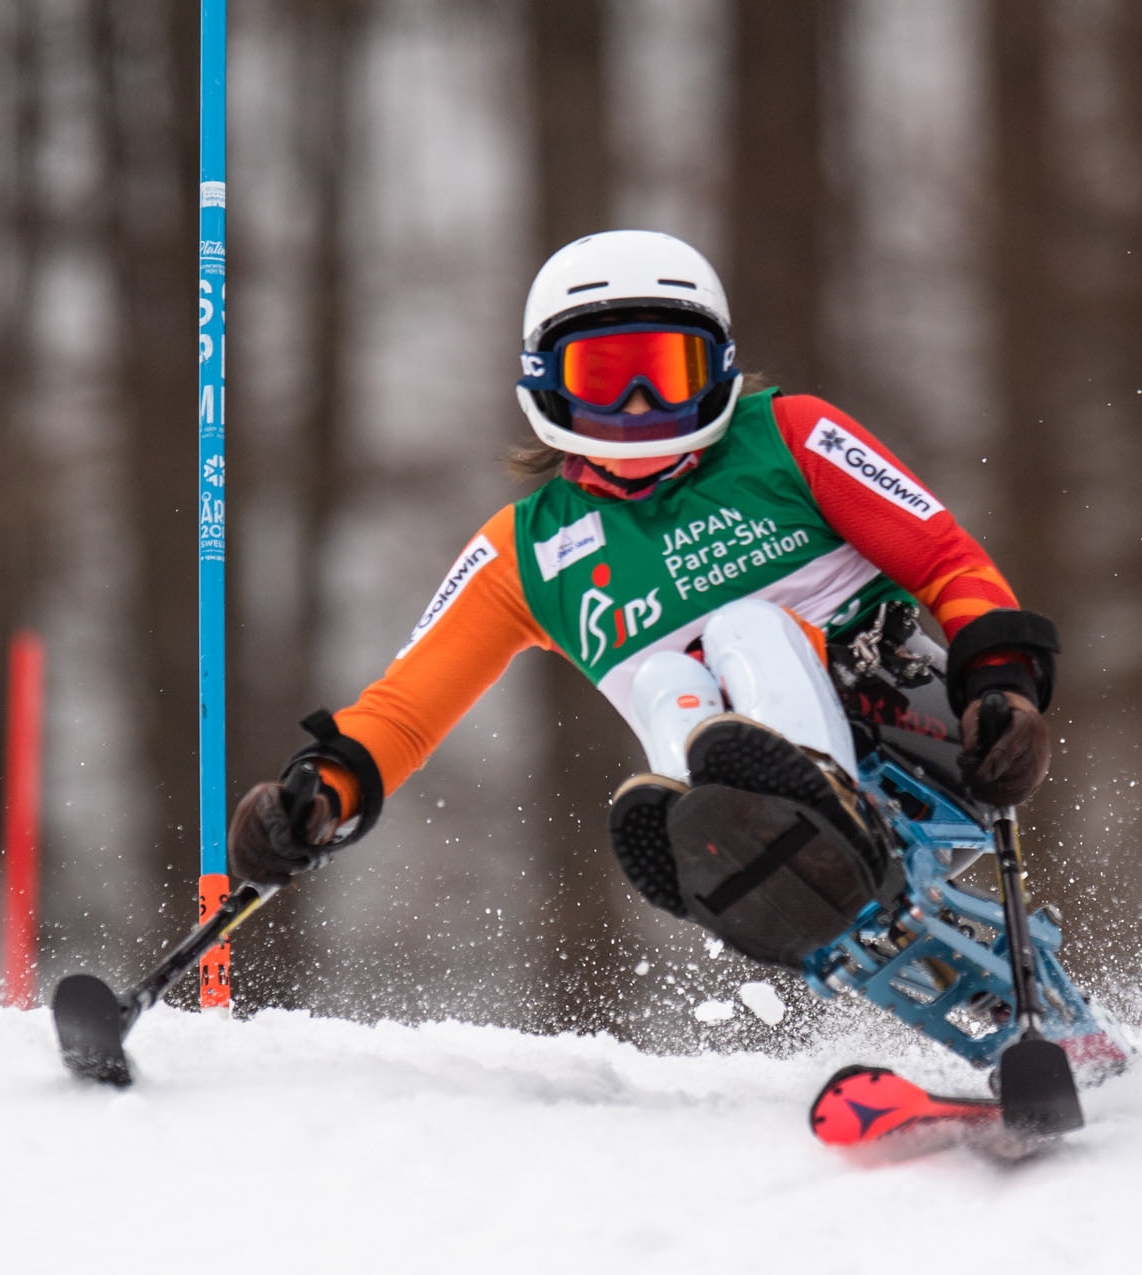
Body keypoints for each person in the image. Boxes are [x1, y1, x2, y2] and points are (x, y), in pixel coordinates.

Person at [228, 229, 1060, 978]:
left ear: (717, 372)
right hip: (754, 815)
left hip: (919, 734)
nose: (635, 409)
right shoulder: (524, 553)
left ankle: (823, 816)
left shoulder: (791, 436)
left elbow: (945, 557)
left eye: (664, 375)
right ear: (547, 385)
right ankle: (737, 854)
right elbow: (406, 709)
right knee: (665, 679)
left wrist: (1003, 682)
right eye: (603, 377)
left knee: (745, 624)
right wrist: (323, 789)